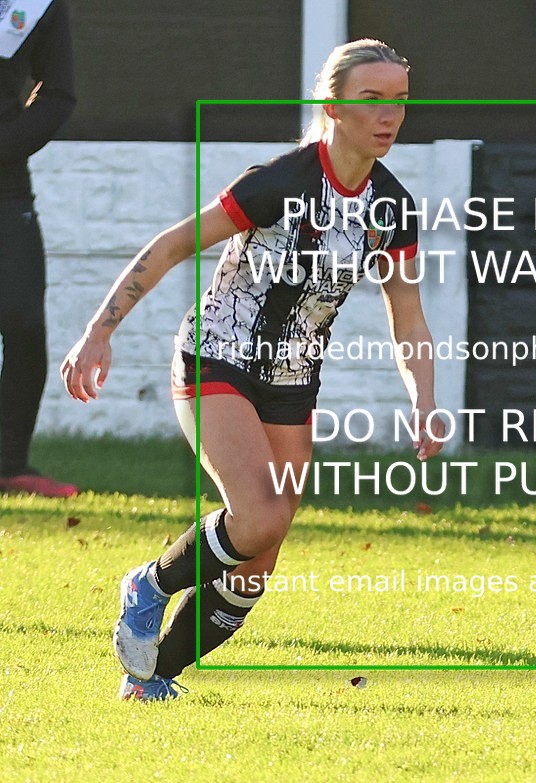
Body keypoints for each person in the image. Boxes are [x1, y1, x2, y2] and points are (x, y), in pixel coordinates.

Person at [61, 39, 443, 700]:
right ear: (333, 106)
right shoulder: (280, 182)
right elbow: (172, 245)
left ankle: (152, 679)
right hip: (218, 356)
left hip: (292, 382)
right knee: (260, 517)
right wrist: (101, 330)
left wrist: (424, 401)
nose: (389, 116)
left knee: (257, 563)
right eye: (371, 99)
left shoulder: (393, 208)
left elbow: (408, 317)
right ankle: (148, 584)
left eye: (400, 101)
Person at [0, 0, 77, 497]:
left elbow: (59, 94)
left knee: (24, 319)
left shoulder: (36, 2)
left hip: (5, 184)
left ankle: (8, 464)